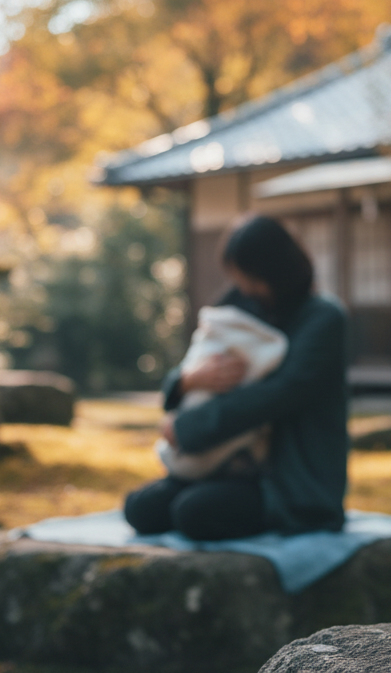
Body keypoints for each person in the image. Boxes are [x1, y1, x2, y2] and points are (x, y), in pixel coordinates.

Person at [123, 214, 349, 541]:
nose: (244, 288)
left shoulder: (324, 318)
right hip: (228, 464)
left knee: (192, 513)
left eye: (251, 280)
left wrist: (186, 429)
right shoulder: (247, 301)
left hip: (289, 482)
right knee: (140, 508)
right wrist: (187, 381)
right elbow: (201, 350)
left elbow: (277, 395)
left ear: (276, 272)